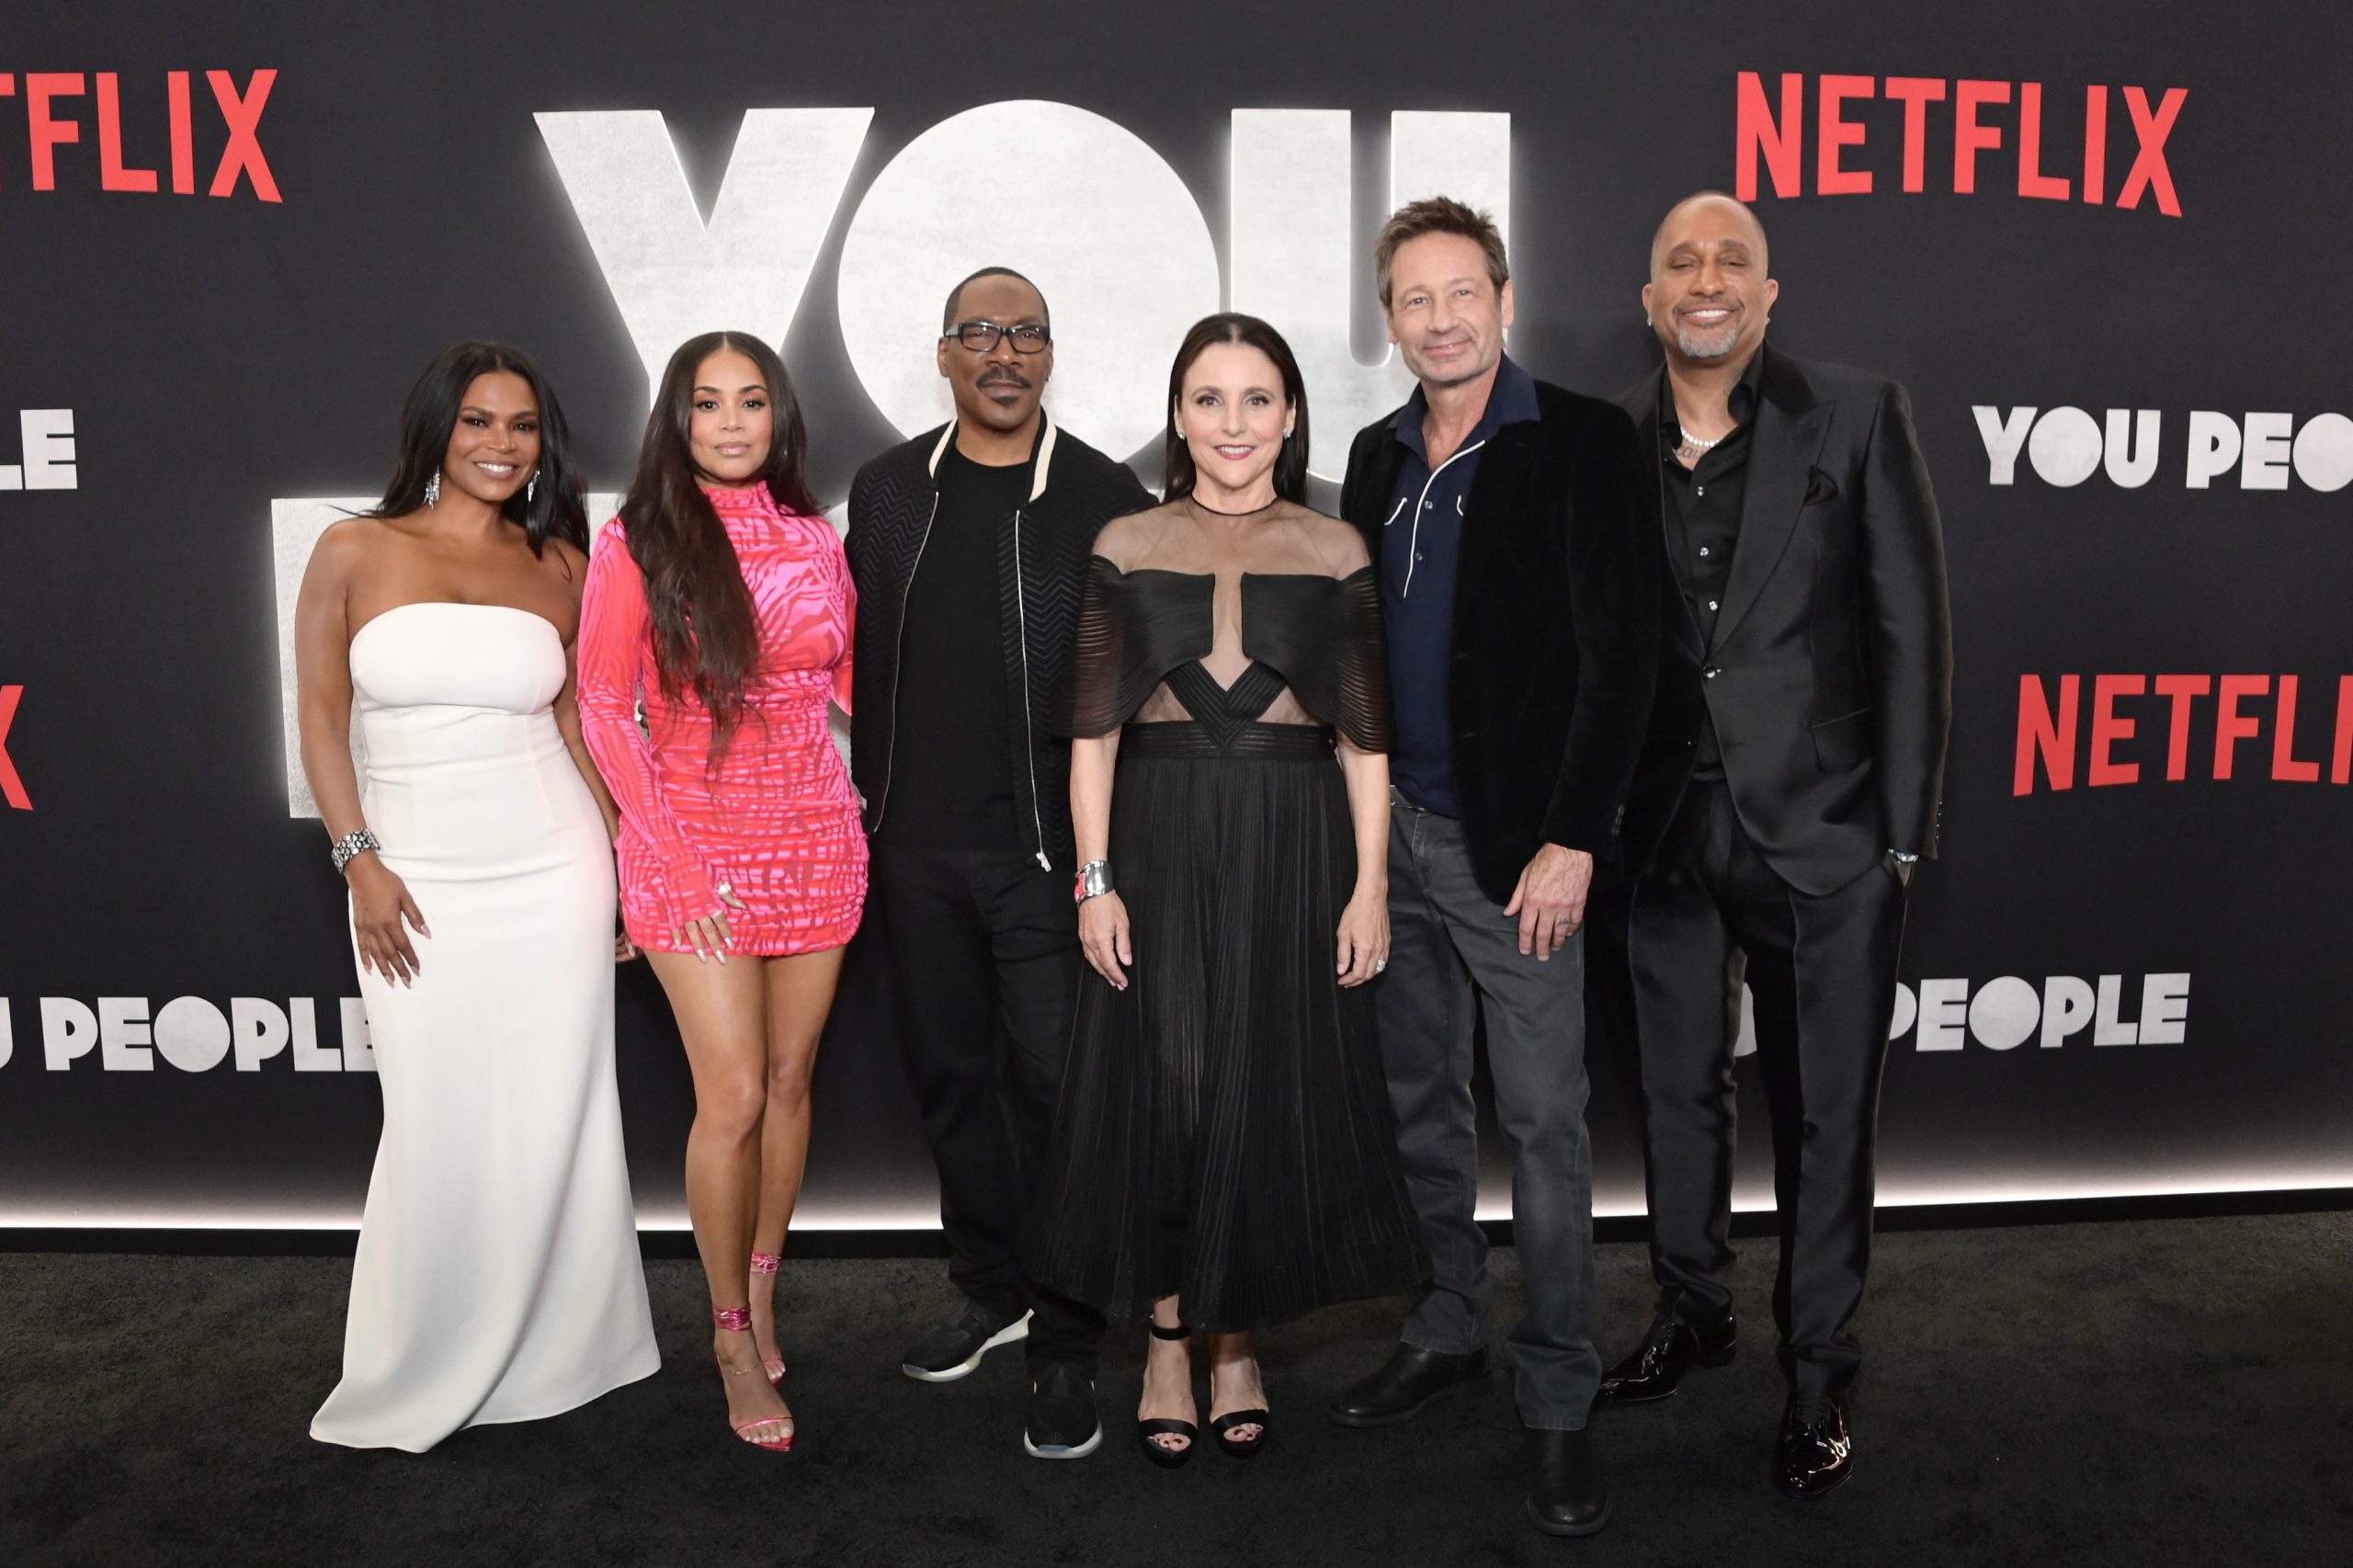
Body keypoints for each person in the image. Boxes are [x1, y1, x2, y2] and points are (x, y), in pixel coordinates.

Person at [1590, 191, 1951, 1499]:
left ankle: (1818, 1373)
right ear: (1649, 298)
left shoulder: (1855, 412)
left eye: (1731, 259)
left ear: (1768, 291)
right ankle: (1693, 1307)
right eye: (1680, 261)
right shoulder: (1605, 440)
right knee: (1675, 1096)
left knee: (1826, 1112)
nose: (1706, 279)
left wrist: (1897, 838)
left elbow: (1911, 626)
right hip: (1660, 830)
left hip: (1825, 830)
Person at [1026, 312, 1427, 1469]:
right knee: (1168, 1087)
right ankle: (1167, 1336)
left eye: (1257, 399)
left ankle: (1236, 1339)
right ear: (1178, 414)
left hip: (1293, 838)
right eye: (1209, 398)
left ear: (1291, 415)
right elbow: (1092, 737)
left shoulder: (1337, 546)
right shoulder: (1127, 538)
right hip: (1155, 834)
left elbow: (1365, 742)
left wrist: (1369, 887)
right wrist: (1094, 882)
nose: (1233, 423)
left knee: (1261, 1083)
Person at [1327, 198, 1658, 1539]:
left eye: (1462, 291)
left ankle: (1560, 1394)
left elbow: (1624, 657)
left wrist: (1575, 836)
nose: (1441, 318)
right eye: (1415, 298)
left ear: (1505, 300)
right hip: (1394, 839)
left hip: (1521, 858)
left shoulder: (1579, 440)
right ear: (1389, 319)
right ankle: (1449, 1320)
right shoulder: (1373, 455)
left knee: (1543, 1129)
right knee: (1419, 1105)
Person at [299, 341, 659, 1451]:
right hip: (410, 871)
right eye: (479, 421)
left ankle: (571, 1346)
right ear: (437, 430)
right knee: (436, 1107)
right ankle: (431, 1349)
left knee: (560, 1103)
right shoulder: (352, 547)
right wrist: (360, 859)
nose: (501, 444)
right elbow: (320, 720)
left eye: (522, 425)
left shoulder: (560, 563)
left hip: (552, 863)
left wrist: (627, 866)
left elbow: (576, 726)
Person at [846, 267, 1153, 1460]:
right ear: (943, 354)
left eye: (1026, 332)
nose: (1004, 352)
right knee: (953, 1081)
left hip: (1045, 858)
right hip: (913, 851)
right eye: (980, 331)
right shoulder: (886, 491)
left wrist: (1101, 861)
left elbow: (1134, 690)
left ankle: (1067, 1337)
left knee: (1058, 1094)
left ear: (1050, 354)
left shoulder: (1101, 495)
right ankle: (991, 1286)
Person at [576, 330, 865, 1454]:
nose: (732, 422)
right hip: (691, 842)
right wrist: (672, 856)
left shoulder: (813, 536)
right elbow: (602, 705)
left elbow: (851, 675)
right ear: (678, 418)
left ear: (778, 416)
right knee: (735, 1093)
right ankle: (729, 1332)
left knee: (791, 1081)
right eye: (709, 402)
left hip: (816, 835)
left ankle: (766, 1286)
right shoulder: (636, 539)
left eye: (752, 400)